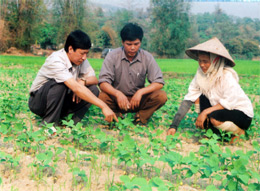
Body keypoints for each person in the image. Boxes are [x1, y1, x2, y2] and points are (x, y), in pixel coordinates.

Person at [167, 37, 254, 143]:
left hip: (241, 114)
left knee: (214, 118)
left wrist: (205, 112)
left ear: (215, 61)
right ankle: (212, 134)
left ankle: (239, 132)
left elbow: (229, 102)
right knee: (201, 101)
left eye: (205, 61)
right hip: (221, 110)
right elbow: (188, 99)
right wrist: (174, 125)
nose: (202, 65)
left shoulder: (226, 75)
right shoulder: (200, 75)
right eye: (199, 60)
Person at [29, 30, 118, 132]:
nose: (84, 57)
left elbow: (94, 79)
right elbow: (74, 87)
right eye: (82, 53)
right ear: (70, 49)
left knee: (93, 89)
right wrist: (103, 106)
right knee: (61, 84)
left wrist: (82, 82)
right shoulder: (56, 60)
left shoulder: (80, 59)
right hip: (38, 102)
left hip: (60, 102)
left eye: (86, 53)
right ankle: (48, 124)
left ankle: (72, 123)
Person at [98, 23, 167, 124]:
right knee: (102, 96)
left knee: (161, 96)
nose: (133, 48)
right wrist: (117, 94)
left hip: (138, 100)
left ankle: (141, 117)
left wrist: (140, 92)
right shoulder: (112, 56)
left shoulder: (147, 57)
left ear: (140, 42)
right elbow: (103, 83)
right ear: (122, 42)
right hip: (118, 100)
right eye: (129, 44)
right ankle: (116, 115)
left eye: (136, 44)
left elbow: (159, 82)